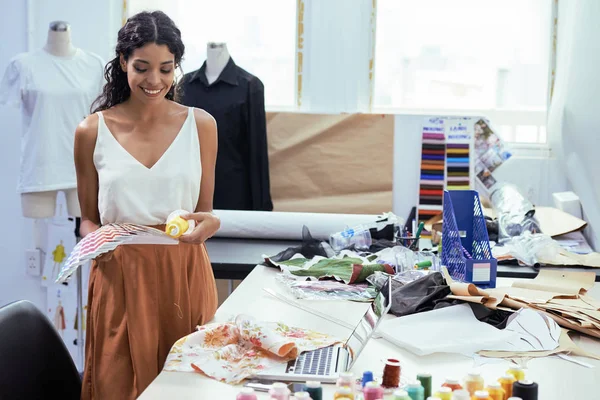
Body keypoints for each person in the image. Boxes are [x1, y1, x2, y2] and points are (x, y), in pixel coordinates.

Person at [74, 11, 220, 399]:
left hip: (184, 273)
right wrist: (100, 238)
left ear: (176, 69)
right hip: (119, 275)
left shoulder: (201, 125)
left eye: (166, 68)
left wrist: (210, 225)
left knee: (188, 387)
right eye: (141, 67)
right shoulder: (92, 131)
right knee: (117, 385)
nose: (154, 81)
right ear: (123, 63)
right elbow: (87, 218)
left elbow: (204, 211)